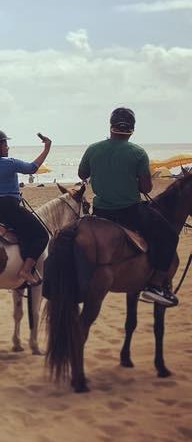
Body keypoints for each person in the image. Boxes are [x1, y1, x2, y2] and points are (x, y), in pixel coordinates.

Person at [78, 107, 179, 307]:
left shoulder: (93, 149)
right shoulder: (138, 153)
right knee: (169, 236)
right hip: (130, 212)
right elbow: (146, 187)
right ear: (132, 130)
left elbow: (82, 174)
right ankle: (156, 285)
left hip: (100, 212)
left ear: (110, 126)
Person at [0, 129, 51, 286]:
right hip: (7, 208)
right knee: (42, 235)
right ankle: (26, 270)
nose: (8, 147)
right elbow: (32, 168)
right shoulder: (9, 163)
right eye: (5, 144)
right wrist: (46, 148)